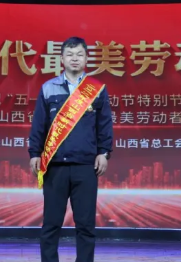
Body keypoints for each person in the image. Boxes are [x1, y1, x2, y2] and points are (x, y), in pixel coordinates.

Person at [28, 36, 113, 262]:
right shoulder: (49, 88)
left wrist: (104, 153)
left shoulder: (96, 89)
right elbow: (39, 124)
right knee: (51, 224)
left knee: (86, 225)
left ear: (86, 59)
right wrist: (35, 153)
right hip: (55, 166)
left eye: (79, 55)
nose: (75, 59)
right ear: (62, 59)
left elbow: (104, 125)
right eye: (70, 55)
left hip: (86, 166)